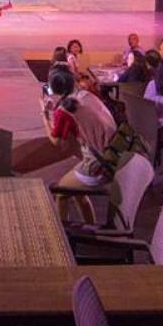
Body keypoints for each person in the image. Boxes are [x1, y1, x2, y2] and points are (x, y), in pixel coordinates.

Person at [41, 66, 117, 225]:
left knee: (61, 192)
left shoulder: (64, 111)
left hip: (100, 164)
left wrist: (44, 115)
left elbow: (57, 143)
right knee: (77, 193)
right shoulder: (86, 95)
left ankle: (62, 237)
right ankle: (89, 227)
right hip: (115, 154)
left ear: (53, 88)